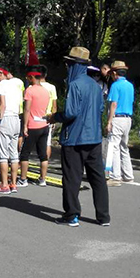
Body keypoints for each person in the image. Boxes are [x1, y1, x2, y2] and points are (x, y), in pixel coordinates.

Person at [48, 47, 110, 227]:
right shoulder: (95, 85)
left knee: (72, 178)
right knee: (97, 178)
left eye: (68, 64)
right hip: (94, 138)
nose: (67, 67)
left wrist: (55, 117)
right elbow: (100, 109)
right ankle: (103, 216)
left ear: (74, 65)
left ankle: (72, 215)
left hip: (75, 138)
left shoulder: (75, 85)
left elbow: (71, 112)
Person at [0, 66, 24, 194]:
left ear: (0, 73)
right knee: (14, 153)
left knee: (3, 154)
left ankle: (4, 185)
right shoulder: (15, 85)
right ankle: (13, 184)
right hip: (16, 119)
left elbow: (2, 105)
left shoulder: (1, 85)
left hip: (6, 119)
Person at [18, 69, 51, 187]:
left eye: (28, 77)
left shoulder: (30, 90)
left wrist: (25, 126)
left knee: (25, 153)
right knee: (43, 154)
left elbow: (27, 109)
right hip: (44, 124)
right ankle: (42, 179)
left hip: (33, 125)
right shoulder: (46, 91)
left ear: (32, 77)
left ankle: (23, 179)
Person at [105, 61, 135, 186]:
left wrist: (109, 121)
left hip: (117, 118)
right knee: (124, 147)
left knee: (113, 147)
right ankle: (128, 175)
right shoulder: (130, 85)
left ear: (115, 73)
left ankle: (115, 176)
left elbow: (113, 103)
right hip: (127, 118)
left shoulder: (115, 85)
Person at [39, 65, 58, 159]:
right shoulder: (52, 87)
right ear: (45, 74)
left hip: (34, 117)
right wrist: (53, 118)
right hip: (48, 117)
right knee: (47, 142)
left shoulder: (32, 86)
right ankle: (45, 162)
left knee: (30, 141)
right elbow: (54, 105)